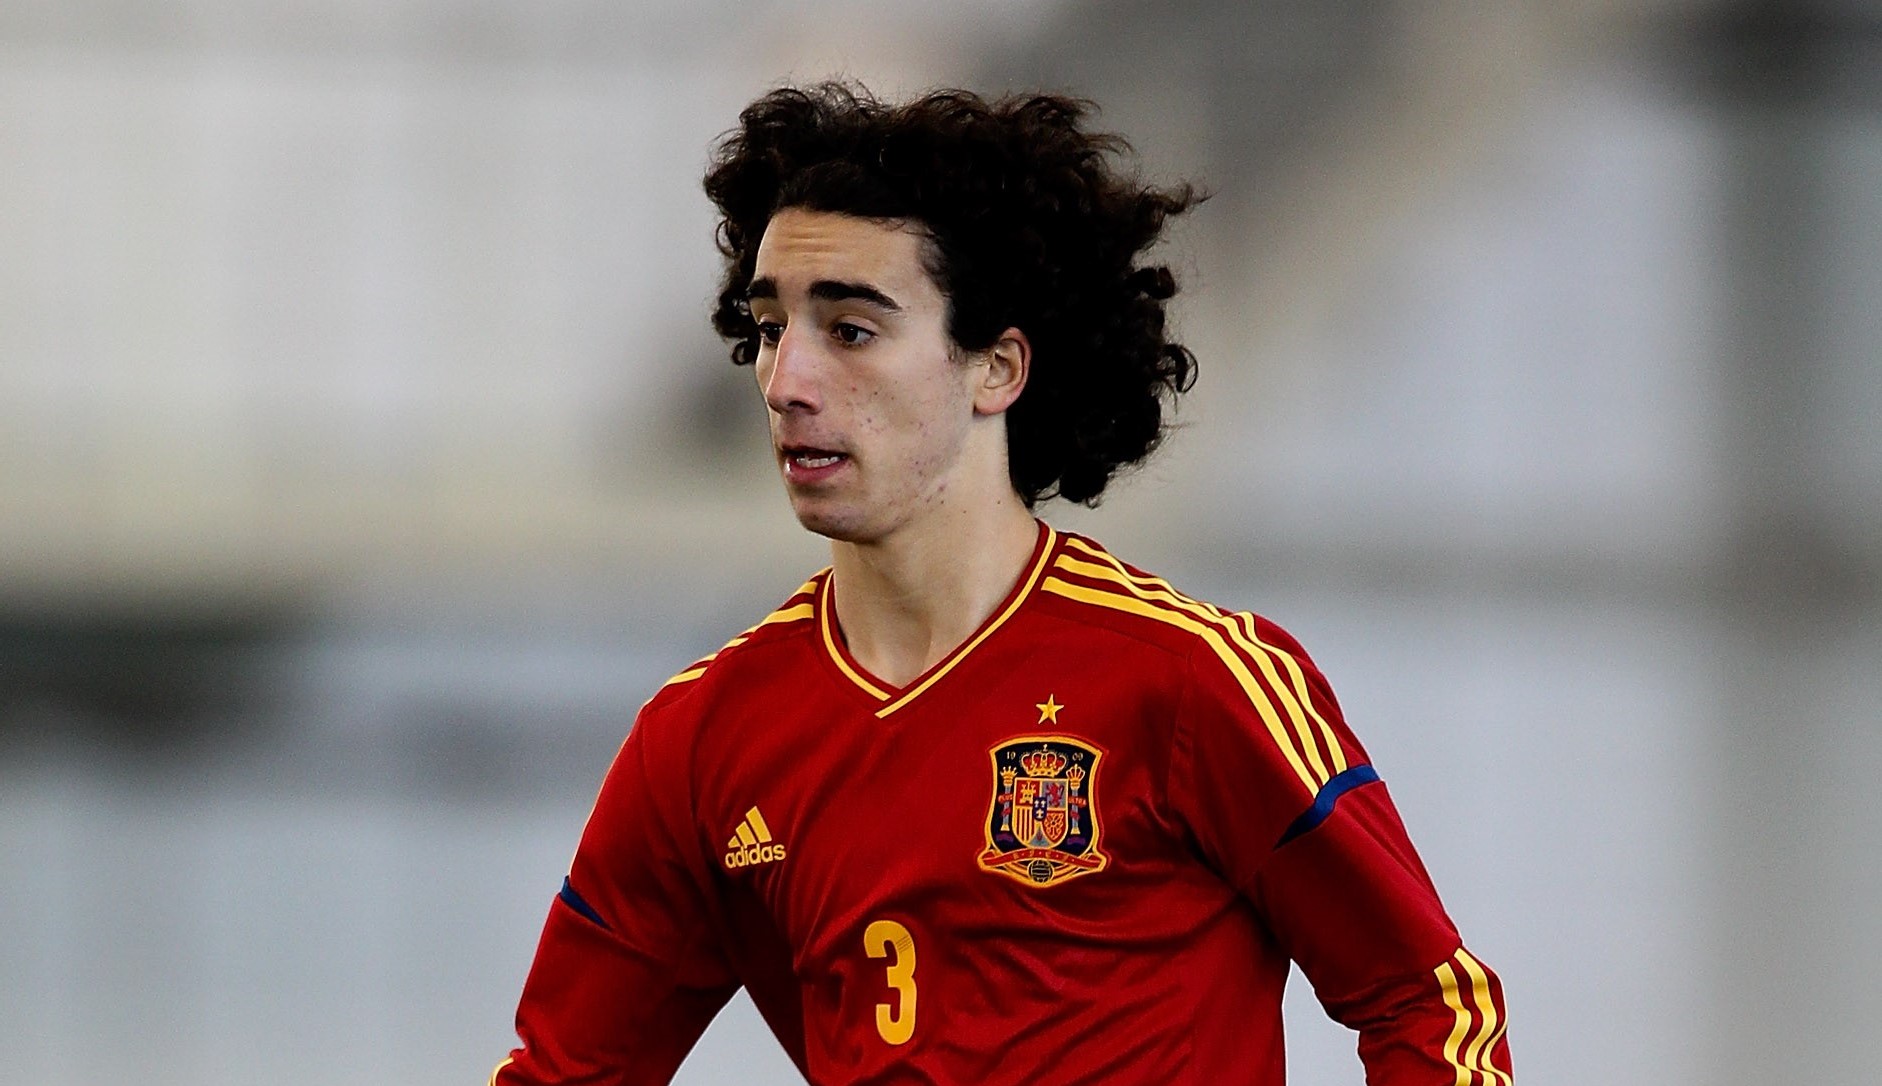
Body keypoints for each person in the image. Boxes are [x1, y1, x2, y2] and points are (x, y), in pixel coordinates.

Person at [491, 82, 1511, 1085]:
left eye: (849, 331)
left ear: (996, 368)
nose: (787, 381)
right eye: (768, 330)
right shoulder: (702, 737)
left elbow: (1431, 1007)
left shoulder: (1193, 681)